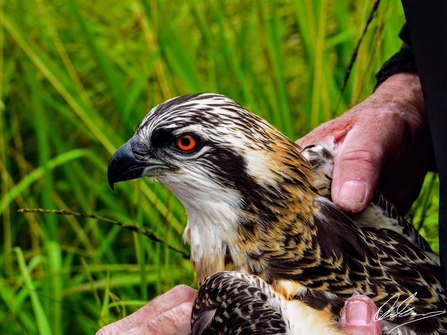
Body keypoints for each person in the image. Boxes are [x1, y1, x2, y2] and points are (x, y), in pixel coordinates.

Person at [98, 1, 447, 333]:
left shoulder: (245, 303)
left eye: (185, 145)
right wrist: (413, 84)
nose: (129, 154)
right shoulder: (329, 188)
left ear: (242, 170)